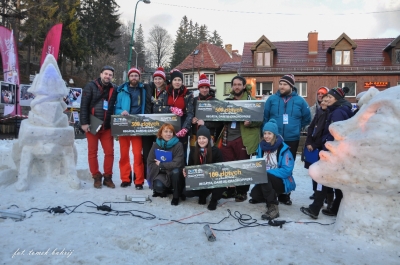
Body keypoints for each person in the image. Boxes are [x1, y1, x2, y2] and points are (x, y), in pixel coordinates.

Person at [300, 87, 353, 219]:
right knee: (334, 180)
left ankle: (316, 208)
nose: (326, 99)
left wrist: (325, 144)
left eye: (330, 97)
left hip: (332, 151)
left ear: (337, 99)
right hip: (335, 151)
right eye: (326, 97)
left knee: (321, 178)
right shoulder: (336, 110)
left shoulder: (337, 113)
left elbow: (335, 134)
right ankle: (334, 208)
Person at [263, 73, 311, 205]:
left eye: (285, 84)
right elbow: (265, 117)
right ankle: (270, 192)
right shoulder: (272, 99)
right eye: (280, 84)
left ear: (291, 86)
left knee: (287, 166)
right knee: (272, 164)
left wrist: (295, 127)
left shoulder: (300, 101)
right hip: (273, 139)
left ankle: (285, 195)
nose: (281, 86)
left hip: (291, 139)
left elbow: (307, 118)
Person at [219, 76, 262, 202]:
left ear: (244, 86)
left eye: (239, 84)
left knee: (243, 165)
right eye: (234, 84)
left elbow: (260, 121)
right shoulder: (227, 101)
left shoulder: (251, 101)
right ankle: (231, 189)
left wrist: (251, 122)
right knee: (229, 165)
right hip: (227, 137)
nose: (237, 87)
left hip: (243, 138)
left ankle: (242, 192)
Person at [249, 119, 296, 220]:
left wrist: (266, 173)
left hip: (281, 181)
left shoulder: (284, 149)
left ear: (275, 134)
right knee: (255, 195)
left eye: (269, 133)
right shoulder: (261, 147)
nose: (266, 136)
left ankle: (273, 207)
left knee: (265, 176)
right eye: (265, 133)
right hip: (266, 180)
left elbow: (287, 170)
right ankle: (272, 194)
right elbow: (258, 165)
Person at [80, 65, 117, 189]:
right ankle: (96, 176)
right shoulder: (90, 86)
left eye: (110, 75)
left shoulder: (114, 88)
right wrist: (84, 123)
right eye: (106, 74)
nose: (108, 76)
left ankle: (108, 177)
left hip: (106, 126)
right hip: (92, 124)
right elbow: (84, 105)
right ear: (101, 74)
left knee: (109, 152)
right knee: (92, 152)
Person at [114, 67, 152, 189]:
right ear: (128, 77)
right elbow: (116, 108)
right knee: (124, 154)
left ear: (139, 77)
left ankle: (139, 180)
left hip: (137, 126)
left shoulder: (143, 90)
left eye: (136, 76)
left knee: (137, 154)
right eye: (132, 76)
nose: (134, 78)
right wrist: (121, 112)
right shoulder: (121, 91)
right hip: (124, 125)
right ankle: (125, 178)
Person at [153, 69, 194, 163]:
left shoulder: (188, 94)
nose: (177, 82)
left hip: (181, 128)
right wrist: (170, 109)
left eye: (179, 80)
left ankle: (180, 175)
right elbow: (156, 108)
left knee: (181, 154)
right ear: (171, 81)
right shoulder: (165, 92)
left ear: (182, 82)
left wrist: (185, 129)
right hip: (167, 128)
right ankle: (166, 174)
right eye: (175, 80)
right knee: (167, 154)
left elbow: (190, 113)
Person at [183, 126, 225, 210]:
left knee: (220, 180)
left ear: (208, 139)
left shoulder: (216, 151)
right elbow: (190, 166)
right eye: (199, 138)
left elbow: (221, 168)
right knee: (186, 192)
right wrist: (186, 170)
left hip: (212, 178)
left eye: (204, 138)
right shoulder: (193, 151)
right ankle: (202, 194)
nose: (201, 141)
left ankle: (214, 200)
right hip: (199, 178)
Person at [147, 123, 186, 205]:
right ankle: (166, 189)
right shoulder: (156, 145)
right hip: (161, 173)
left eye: (170, 132)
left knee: (176, 171)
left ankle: (176, 196)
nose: (168, 134)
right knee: (158, 187)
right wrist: (161, 168)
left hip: (175, 173)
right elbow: (150, 161)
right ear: (161, 133)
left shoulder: (178, 145)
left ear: (173, 133)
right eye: (166, 131)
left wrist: (161, 165)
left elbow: (177, 163)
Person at [142, 67, 167, 181]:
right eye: (156, 78)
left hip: (161, 125)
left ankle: (160, 175)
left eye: (160, 79)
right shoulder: (148, 88)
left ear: (164, 80)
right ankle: (147, 174)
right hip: (148, 124)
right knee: (147, 152)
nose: (158, 81)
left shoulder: (167, 91)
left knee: (160, 151)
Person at [190, 74, 223, 154]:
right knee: (194, 157)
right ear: (199, 88)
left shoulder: (215, 102)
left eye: (206, 88)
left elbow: (220, 122)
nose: (204, 90)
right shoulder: (193, 101)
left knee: (208, 157)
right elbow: (188, 115)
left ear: (209, 88)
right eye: (202, 87)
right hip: (195, 135)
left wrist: (205, 123)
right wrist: (192, 120)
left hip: (209, 135)